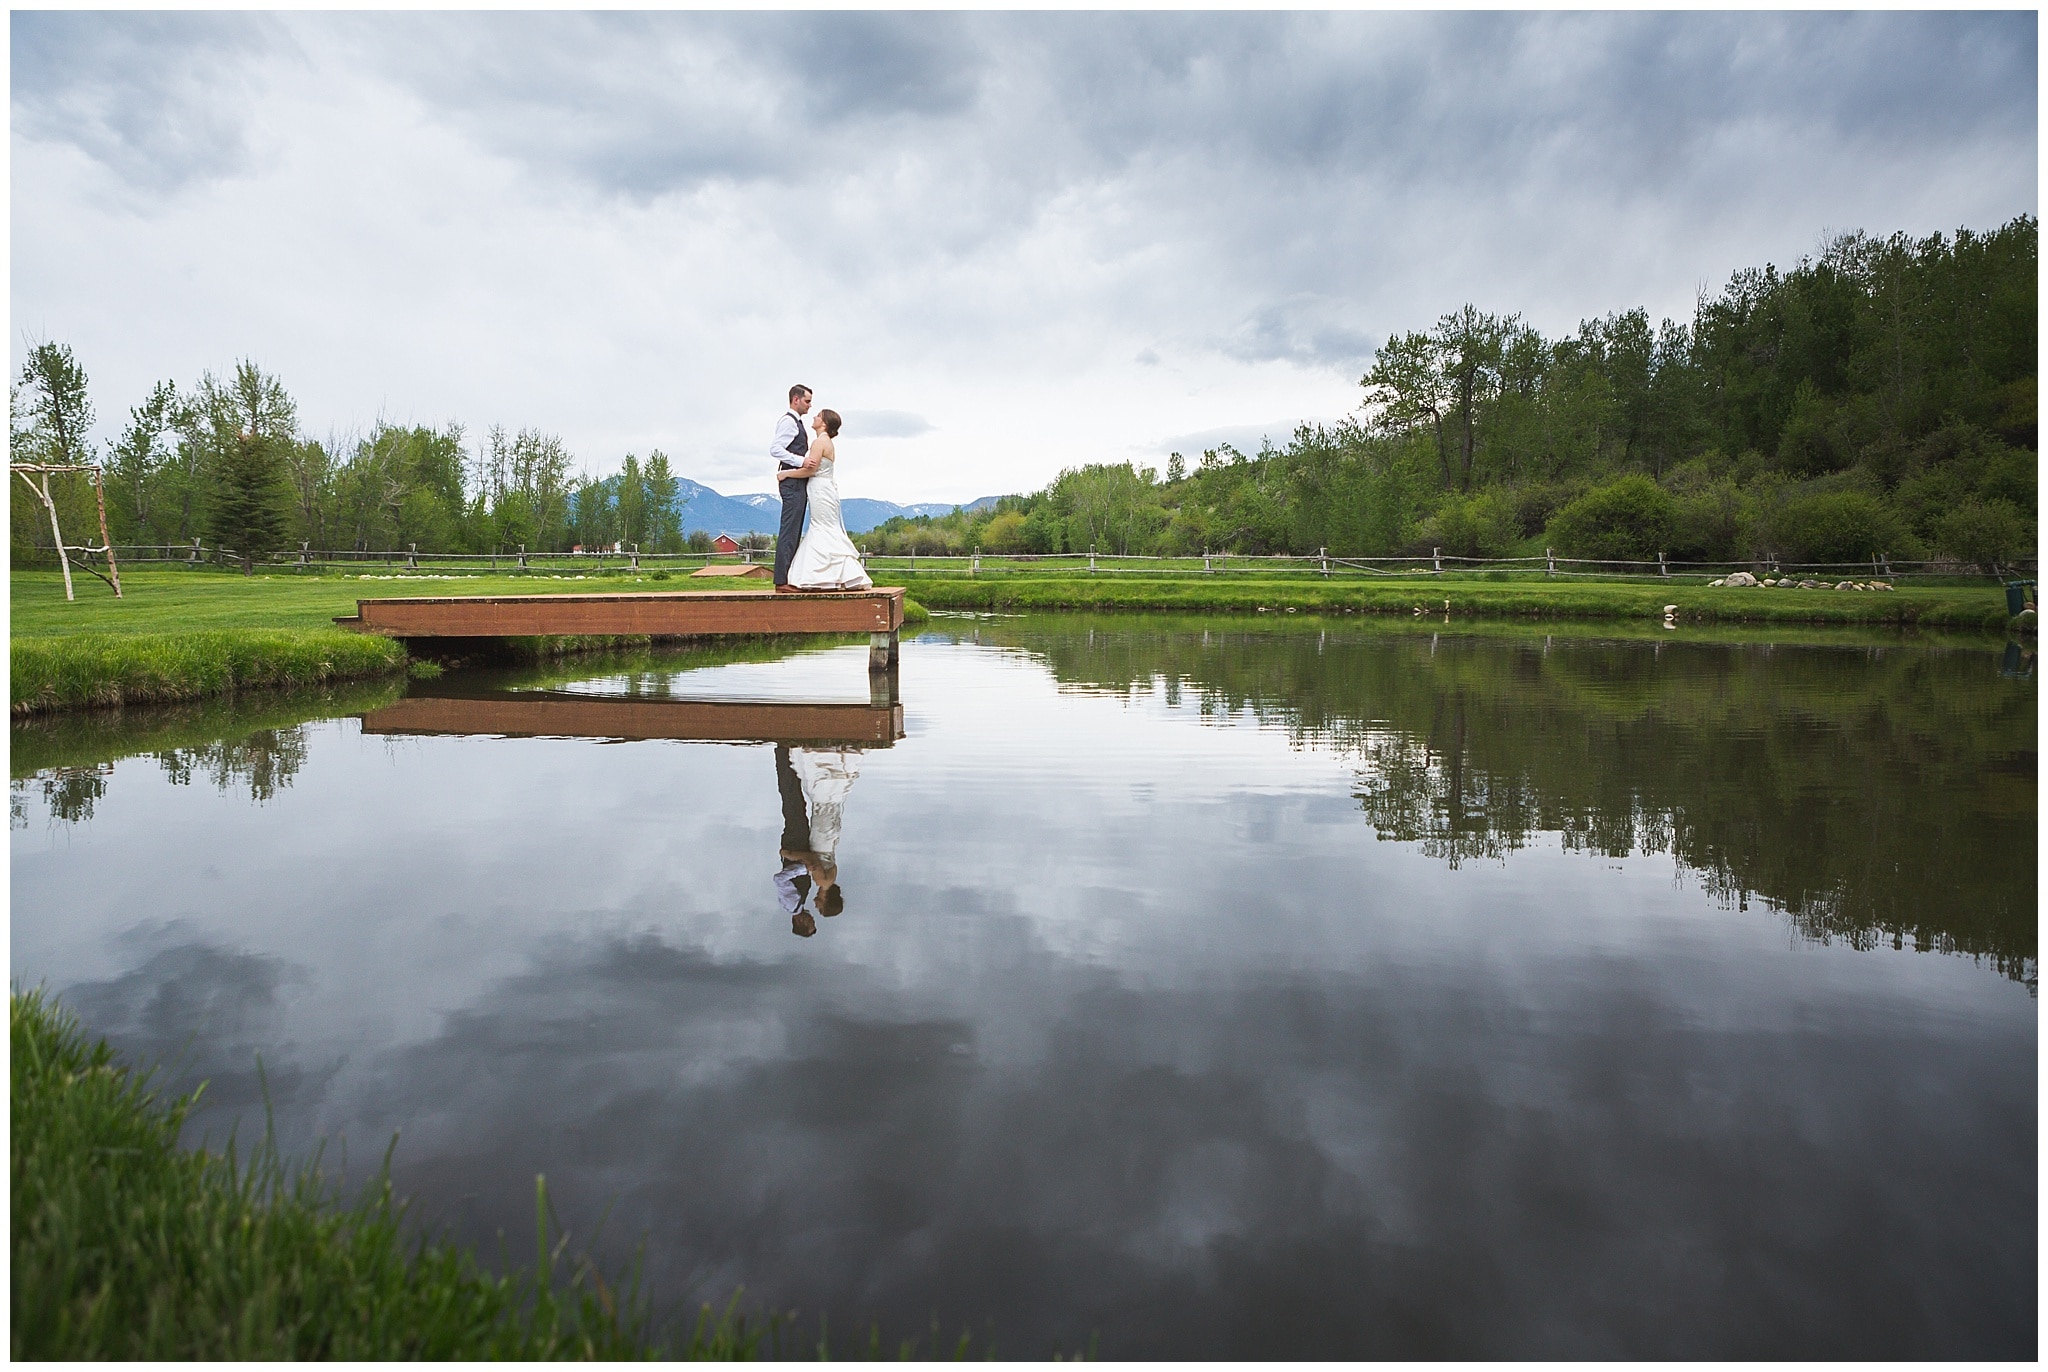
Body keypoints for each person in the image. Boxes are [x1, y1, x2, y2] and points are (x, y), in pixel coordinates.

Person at [782, 409, 874, 591]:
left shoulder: (819, 442)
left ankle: (820, 577)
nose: (814, 417)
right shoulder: (827, 442)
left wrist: (785, 474)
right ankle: (836, 575)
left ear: (823, 423)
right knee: (827, 527)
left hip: (820, 489)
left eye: (818, 416)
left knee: (821, 527)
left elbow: (810, 470)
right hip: (826, 489)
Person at [771, 385, 814, 590]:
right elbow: (776, 449)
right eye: (807, 401)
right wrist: (800, 461)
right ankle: (781, 581)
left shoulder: (797, 423)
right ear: (795, 400)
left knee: (794, 529)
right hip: (792, 483)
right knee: (789, 529)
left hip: (797, 482)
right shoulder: (789, 422)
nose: (810, 405)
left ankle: (788, 576)